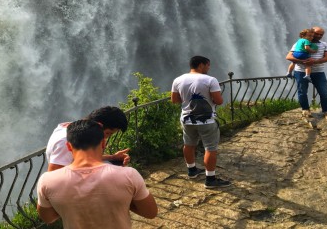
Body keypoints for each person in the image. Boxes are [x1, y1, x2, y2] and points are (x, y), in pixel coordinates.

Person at [37, 119, 158, 228]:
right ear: (103, 143)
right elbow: (150, 212)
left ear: (69, 146)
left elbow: (48, 218)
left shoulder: (47, 181)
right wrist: (123, 198)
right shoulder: (129, 175)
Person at [171, 55, 231, 188]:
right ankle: (210, 179)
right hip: (207, 121)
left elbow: (174, 100)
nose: (209, 68)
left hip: (187, 119)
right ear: (201, 65)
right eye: (208, 65)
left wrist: (189, 102)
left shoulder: (178, 80)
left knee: (189, 144)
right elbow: (219, 101)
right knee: (210, 148)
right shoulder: (210, 80)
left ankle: (191, 170)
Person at [45, 106, 130, 171]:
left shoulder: (77, 129)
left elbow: (82, 158)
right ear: (99, 125)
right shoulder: (66, 141)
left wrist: (112, 157)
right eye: (108, 133)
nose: (105, 138)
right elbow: (53, 176)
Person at [285, 26, 327, 120]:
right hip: (301, 71)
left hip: (318, 72)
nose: (318, 36)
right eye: (316, 34)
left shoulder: (324, 45)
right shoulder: (299, 42)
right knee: (302, 92)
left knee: (324, 93)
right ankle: (305, 110)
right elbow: (289, 57)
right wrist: (303, 61)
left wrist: (314, 62)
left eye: (321, 34)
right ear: (311, 33)